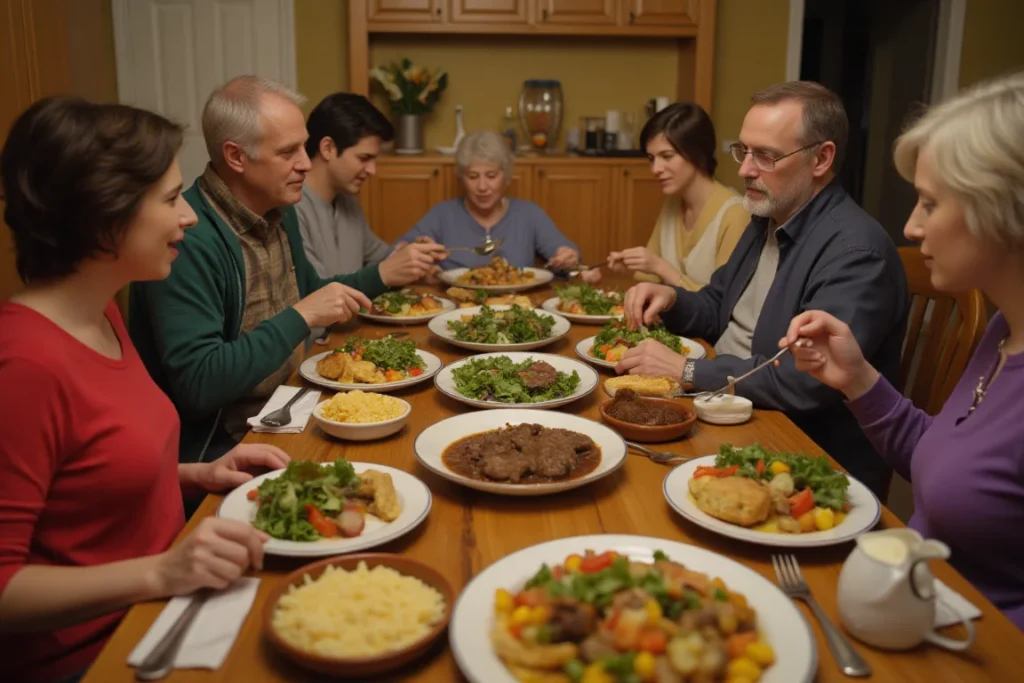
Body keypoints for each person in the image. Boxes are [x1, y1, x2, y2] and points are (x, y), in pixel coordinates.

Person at [0, 97, 288, 683]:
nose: (189, 216)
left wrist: (195, 473)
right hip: (101, 653)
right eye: (170, 198)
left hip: (173, 610)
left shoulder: (101, 312)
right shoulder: (23, 363)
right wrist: (161, 573)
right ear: (103, 216)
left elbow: (85, 483)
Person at [782, 71, 1024, 629]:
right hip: (914, 608)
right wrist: (857, 379)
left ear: (1005, 213)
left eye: (929, 203)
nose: (911, 227)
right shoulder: (1005, 329)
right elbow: (944, 465)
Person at [620, 81, 909, 495]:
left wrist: (686, 371)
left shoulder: (856, 252)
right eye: (743, 150)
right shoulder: (768, 217)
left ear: (821, 159)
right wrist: (672, 298)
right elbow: (719, 304)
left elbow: (805, 381)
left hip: (800, 456)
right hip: (728, 405)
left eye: (766, 156)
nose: (744, 169)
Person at [129, 76, 431, 466]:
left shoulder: (279, 210)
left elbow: (312, 292)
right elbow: (200, 385)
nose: (306, 163)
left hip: (291, 403)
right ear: (236, 157)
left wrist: (382, 276)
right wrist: (302, 316)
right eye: (288, 152)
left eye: (304, 147)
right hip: (224, 447)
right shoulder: (187, 240)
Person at [593, 103, 749, 289]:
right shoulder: (673, 202)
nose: (655, 169)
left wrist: (658, 266)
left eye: (667, 156)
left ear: (697, 154)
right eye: (651, 159)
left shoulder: (736, 215)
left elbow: (724, 304)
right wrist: (627, 267)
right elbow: (650, 279)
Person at [296, 92, 445, 278]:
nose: (372, 170)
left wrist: (411, 255)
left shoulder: (347, 200)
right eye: (364, 158)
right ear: (328, 148)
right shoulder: (293, 208)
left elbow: (378, 256)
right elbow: (316, 291)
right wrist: (388, 270)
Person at [396, 131, 580, 270]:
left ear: (506, 177)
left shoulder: (529, 214)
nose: (482, 187)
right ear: (461, 178)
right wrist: (414, 249)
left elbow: (566, 253)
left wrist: (567, 257)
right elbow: (398, 251)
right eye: (473, 176)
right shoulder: (442, 214)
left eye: (491, 176)